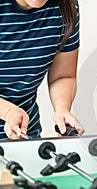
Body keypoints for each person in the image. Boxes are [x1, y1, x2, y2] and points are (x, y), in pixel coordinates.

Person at [0, 0, 84, 140]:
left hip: (26, 136)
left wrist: (62, 108)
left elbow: (63, 76)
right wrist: (7, 111)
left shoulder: (66, 7)